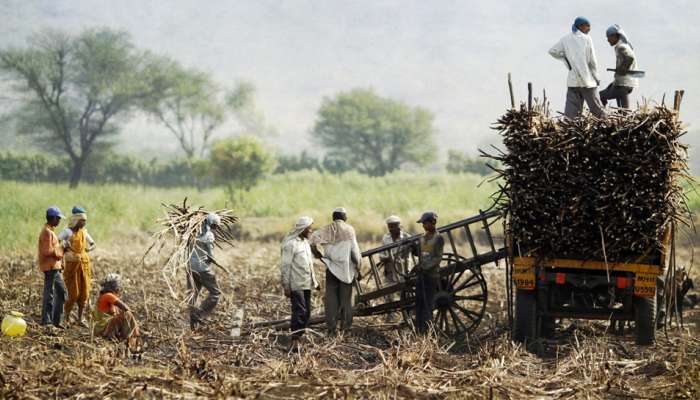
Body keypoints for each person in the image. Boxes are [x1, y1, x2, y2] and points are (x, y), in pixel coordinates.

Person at [310, 207, 361, 336]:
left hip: (331, 269)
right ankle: (346, 329)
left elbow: (312, 242)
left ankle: (331, 330)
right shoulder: (349, 230)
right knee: (347, 301)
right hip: (346, 270)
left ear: (333, 218)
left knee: (331, 301)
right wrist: (358, 267)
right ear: (344, 218)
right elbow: (355, 252)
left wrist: (319, 256)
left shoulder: (325, 230)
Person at [549, 16, 605, 119]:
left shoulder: (565, 39)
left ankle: (568, 131)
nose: (589, 29)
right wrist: (597, 77)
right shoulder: (587, 39)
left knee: (571, 113)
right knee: (596, 109)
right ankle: (608, 126)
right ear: (581, 26)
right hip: (587, 81)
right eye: (588, 26)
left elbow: (552, 51)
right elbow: (592, 61)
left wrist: (566, 59)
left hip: (573, 82)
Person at [280, 216, 319, 348]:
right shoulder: (291, 244)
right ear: (302, 229)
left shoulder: (305, 243)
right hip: (296, 284)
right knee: (299, 311)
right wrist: (286, 286)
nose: (311, 230)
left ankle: (299, 336)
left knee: (307, 312)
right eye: (309, 228)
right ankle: (294, 339)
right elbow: (285, 266)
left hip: (306, 283)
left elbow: (309, 265)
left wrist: (315, 282)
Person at [58, 206, 96, 327]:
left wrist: (87, 249)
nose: (84, 223)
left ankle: (80, 318)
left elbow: (93, 244)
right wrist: (65, 246)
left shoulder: (84, 232)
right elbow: (57, 241)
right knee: (72, 292)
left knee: (84, 292)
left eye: (85, 221)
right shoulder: (67, 232)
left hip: (84, 264)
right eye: (82, 220)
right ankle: (66, 318)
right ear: (76, 220)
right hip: (71, 264)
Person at [187, 213, 223, 330]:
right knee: (215, 293)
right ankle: (199, 314)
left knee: (193, 294)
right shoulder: (209, 236)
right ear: (211, 224)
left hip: (189, 267)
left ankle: (193, 325)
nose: (216, 228)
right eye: (215, 226)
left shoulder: (192, 232)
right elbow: (210, 256)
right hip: (202, 269)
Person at [414, 211, 444, 335]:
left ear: (433, 222)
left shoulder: (438, 238)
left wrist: (425, 267)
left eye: (425, 223)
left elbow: (437, 258)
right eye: (422, 223)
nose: (423, 226)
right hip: (420, 276)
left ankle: (427, 333)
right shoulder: (422, 238)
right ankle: (418, 331)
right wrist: (412, 248)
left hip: (431, 276)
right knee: (419, 303)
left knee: (427, 304)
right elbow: (420, 254)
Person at [38, 206, 68, 328]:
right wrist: (62, 248)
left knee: (60, 292)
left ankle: (56, 321)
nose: (59, 221)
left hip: (54, 267)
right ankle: (47, 321)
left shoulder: (50, 231)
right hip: (50, 267)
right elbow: (47, 251)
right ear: (53, 218)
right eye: (58, 218)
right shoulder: (47, 232)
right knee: (50, 293)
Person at [379, 215, 412, 322]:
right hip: (390, 270)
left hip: (404, 270)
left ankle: (409, 317)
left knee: (406, 294)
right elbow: (381, 255)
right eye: (390, 227)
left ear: (400, 226)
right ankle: (391, 318)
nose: (392, 229)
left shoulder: (407, 237)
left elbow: (413, 250)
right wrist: (387, 258)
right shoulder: (385, 238)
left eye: (394, 226)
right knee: (388, 294)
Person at [93, 273, 139, 347]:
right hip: (103, 328)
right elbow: (125, 308)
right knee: (127, 313)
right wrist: (132, 313)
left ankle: (128, 336)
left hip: (100, 328)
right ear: (115, 287)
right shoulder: (108, 295)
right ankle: (128, 337)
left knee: (120, 312)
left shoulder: (103, 296)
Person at [599, 24, 638, 109]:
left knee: (601, 95)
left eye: (608, 37)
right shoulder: (624, 45)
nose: (607, 40)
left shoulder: (620, 47)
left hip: (623, 83)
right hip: (627, 83)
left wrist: (622, 69)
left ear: (614, 36)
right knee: (623, 109)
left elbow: (629, 58)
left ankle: (602, 114)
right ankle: (624, 119)